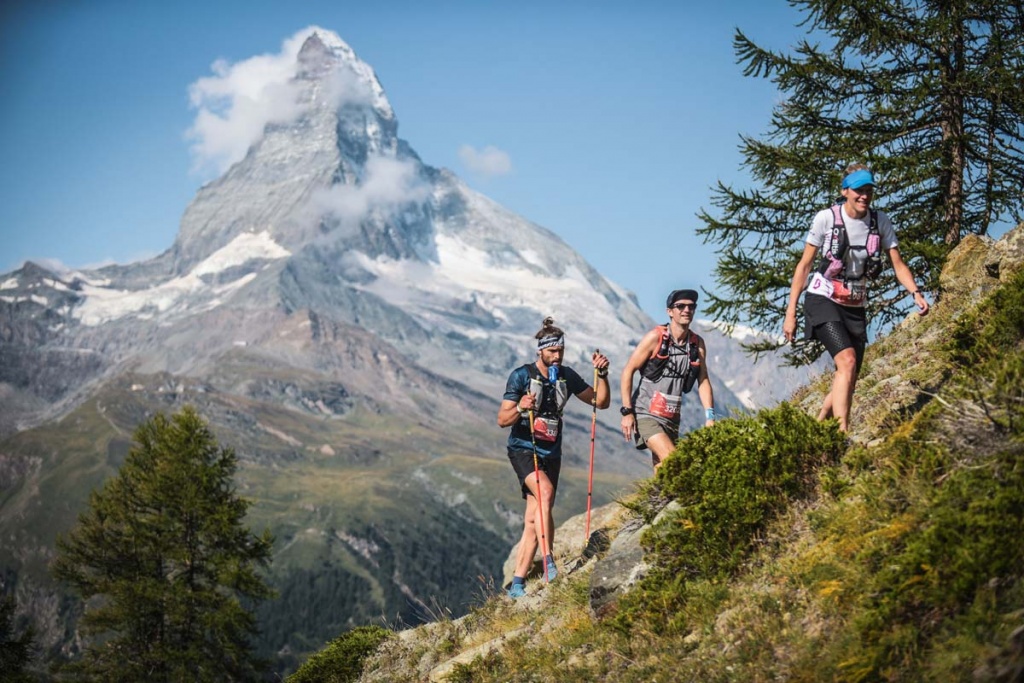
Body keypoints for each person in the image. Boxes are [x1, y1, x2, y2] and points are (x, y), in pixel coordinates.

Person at [783, 164, 930, 432]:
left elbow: (897, 263)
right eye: (859, 190)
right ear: (845, 191)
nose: (864, 195)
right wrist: (790, 312)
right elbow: (804, 266)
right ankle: (843, 434)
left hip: (855, 306)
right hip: (822, 298)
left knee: (848, 377)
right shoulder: (826, 219)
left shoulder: (879, 221)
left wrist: (915, 292)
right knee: (847, 361)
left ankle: (817, 430)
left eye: (869, 190)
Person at [497, 317, 610, 598]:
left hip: (551, 451)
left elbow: (600, 401)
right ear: (540, 351)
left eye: (560, 350)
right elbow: (502, 419)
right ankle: (549, 562)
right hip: (523, 447)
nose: (557, 356)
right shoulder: (521, 376)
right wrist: (522, 408)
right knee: (544, 492)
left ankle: (518, 583)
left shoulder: (566, 376)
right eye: (551, 352)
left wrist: (603, 375)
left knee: (534, 519)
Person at [619, 289, 716, 471]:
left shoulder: (697, 344)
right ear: (670, 311)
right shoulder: (656, 338)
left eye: (691, 306)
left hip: (672, 418)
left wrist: (710, 416)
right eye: (680, 306)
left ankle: (660, 500)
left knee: (663, 468)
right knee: (675, 460)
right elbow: (628, 371)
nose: (687, 310)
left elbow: (703, 380)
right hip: (645, 413)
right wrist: (627, 411)